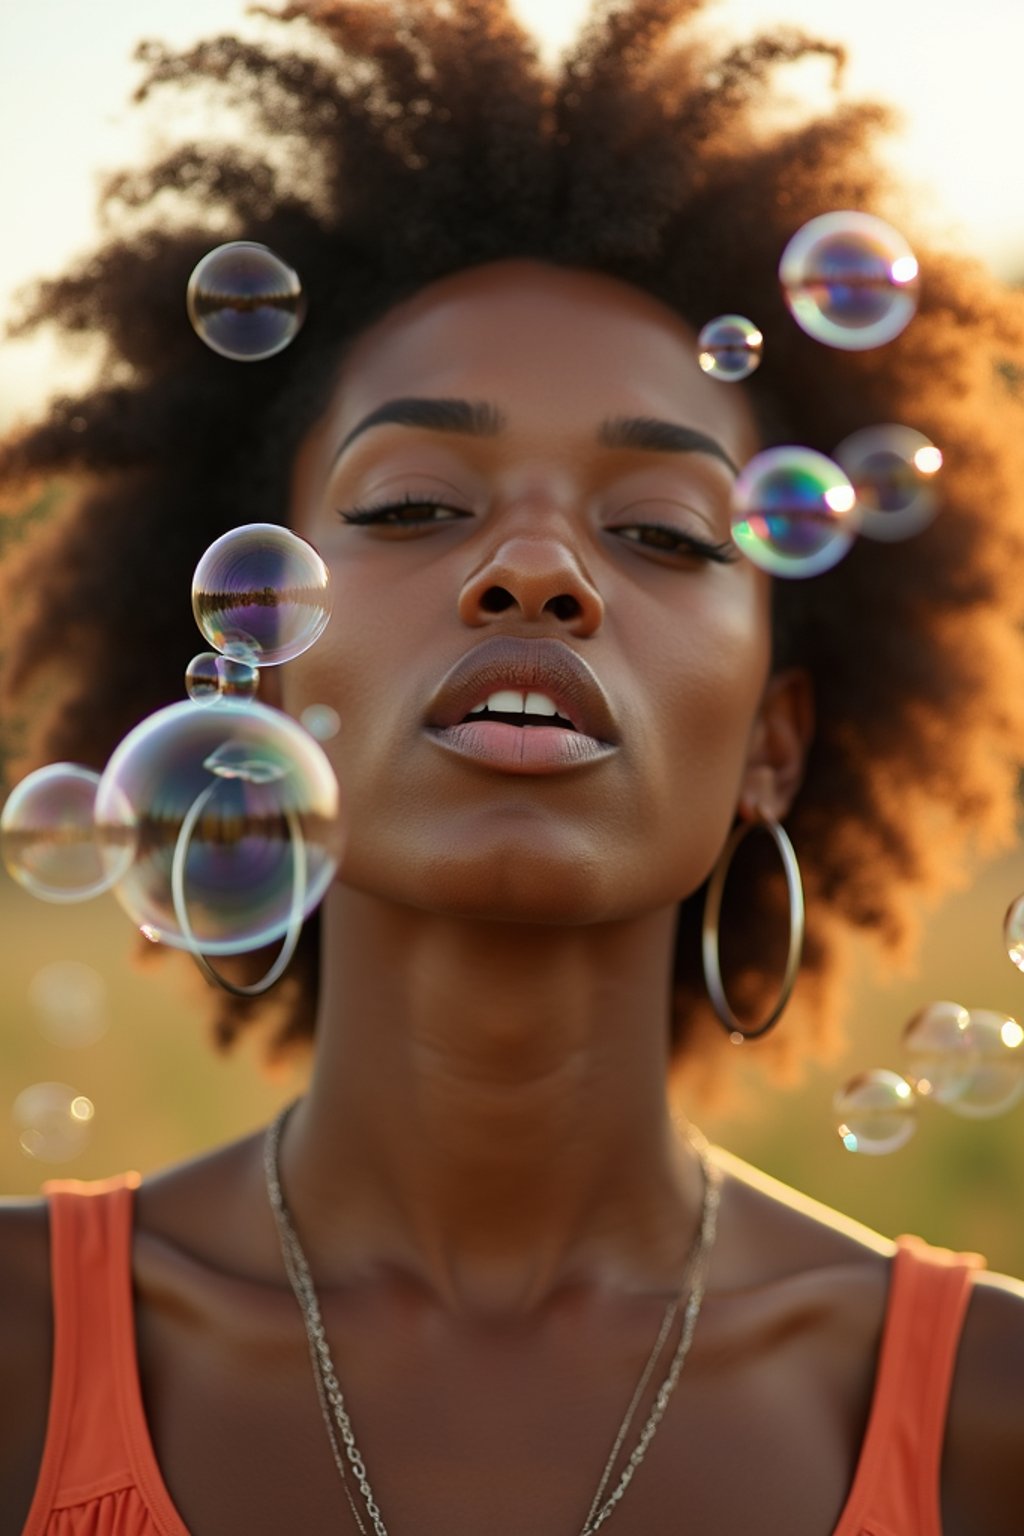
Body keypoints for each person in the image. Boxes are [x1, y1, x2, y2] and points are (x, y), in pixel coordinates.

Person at [1, 1, 1023, 1532]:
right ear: (251, 663)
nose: (537, 572)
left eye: (667, 531)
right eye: (414, 506)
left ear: (773, 743)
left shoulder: (994, 1422)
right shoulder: (17, 1356)